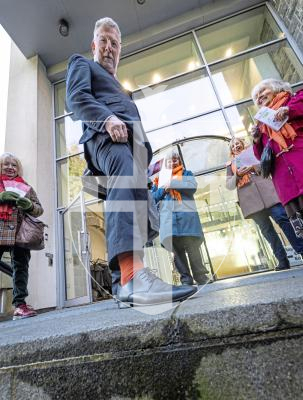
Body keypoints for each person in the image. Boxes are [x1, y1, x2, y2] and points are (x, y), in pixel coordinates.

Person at [66, 17, 196, 306]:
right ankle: (131, 277)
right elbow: (75, 98)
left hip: (133, 148)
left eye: (115, 44)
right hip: (107, 137)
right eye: (104, 41)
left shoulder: (121, 88)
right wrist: (107, 118)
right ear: (93, 44)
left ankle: (123, 285)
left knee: (135, 206)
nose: (109, 48)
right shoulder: (82, 64)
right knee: (124, 185)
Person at [226, 138, 303, 271]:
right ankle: (282, 260)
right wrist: (237, 174)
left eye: (237, 143)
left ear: (242, 144)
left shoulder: (253, 153)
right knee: (266, 230)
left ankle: (301, 250)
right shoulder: (230, 164)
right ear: (231, 150)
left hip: (269, 194)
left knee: (283, 219)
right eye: (233, 146)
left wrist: (253, 167)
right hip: (251, 201)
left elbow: (266, 166)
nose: (235, 146)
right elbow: (229, 185)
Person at [251, 79, 303, 239]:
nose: (259, 97)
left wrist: (288, 110)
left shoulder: (294, 99)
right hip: (285, 182)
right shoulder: (262, 124)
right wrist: (257, 140)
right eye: (256, 97)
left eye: (263, 91)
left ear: (275, 88)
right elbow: (262, 157)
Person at [152, 150, 209, 285]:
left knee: (192, 248)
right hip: (168, 219)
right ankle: (186, 279)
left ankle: (201, 277)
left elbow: (192, 186)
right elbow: (153, 198)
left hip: (186, 216)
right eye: (170, 161)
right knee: (177, 252)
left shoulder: (186, 173)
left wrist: (173, 184)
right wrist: (164, 189)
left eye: (175, 160)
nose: (173, 162)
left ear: (179, 161)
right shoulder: (158, 180)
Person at [0, 153, 43, 319]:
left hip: (20, 232)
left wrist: (29, 205)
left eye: (14, 165)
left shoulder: (26, 187)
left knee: (21, 267)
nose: (10, 167)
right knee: (17, 268)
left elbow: (39, 209)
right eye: (6, 164)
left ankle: (20, 305)